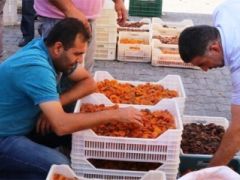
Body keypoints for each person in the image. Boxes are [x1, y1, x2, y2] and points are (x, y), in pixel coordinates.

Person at [0, 18, 142, 179]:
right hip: (5, 137)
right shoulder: (36, 67)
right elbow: (61, 125)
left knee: (75, 120)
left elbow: (89, 83)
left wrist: (55, 105)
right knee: (59, 166)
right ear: (58, 47)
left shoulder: (50, 50)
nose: (80, 60)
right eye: (77, 54)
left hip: (24, 125)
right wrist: (115, 114)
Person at [178, 0, 240, 167]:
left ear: (214, 48)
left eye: (202, 63)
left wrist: (205, 174)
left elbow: (237, 131)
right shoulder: (223, 10)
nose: (205, 70)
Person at [34, 0, 127, 72]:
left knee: (82, 75)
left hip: (88, 19)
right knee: (54, 80)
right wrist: (69, 9)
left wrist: (118, 1)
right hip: (59, 17)